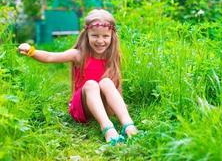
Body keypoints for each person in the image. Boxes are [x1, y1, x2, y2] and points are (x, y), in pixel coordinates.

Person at [18, 9, 138, 145]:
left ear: (112, 36)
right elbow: (51, 57)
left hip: (103, 106)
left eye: (105, 36)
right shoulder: (78, 55)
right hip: (82, 107)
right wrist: (31, 51)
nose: (100, 41)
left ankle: (128, 124)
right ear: (87, 34)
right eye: (95, 36)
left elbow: (116, 85)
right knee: (92, 84)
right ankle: (107, 128)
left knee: (106, 82)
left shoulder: (111, 56)